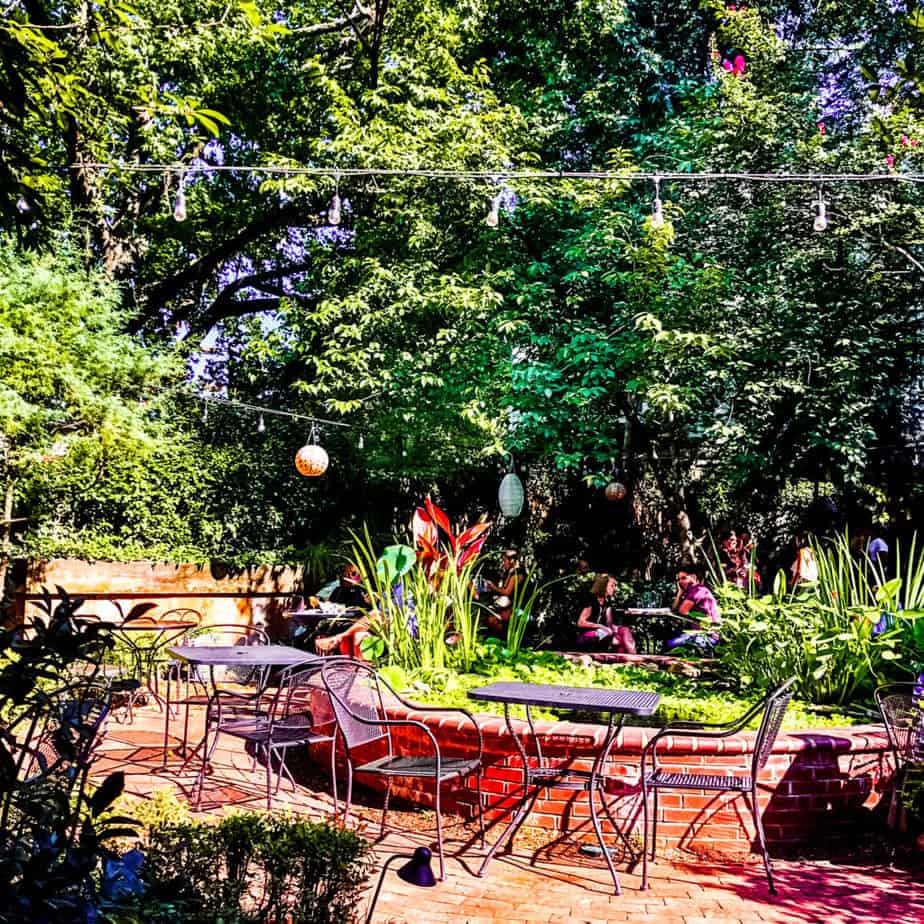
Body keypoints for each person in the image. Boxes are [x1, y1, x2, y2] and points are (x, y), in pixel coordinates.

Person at [576, 573, 637, 653]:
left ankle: (632, 659)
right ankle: (632, 661)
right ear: (603, 586)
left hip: (602, 633)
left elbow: (609, 623)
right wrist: (601, 626)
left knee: (624, 631)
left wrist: (619, 630)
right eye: (612, 585)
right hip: (586, 635)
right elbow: (580, 623)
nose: (614, 588)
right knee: (609, 633)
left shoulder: (606, 603)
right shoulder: (591, 601)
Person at [665, 565, 721, 652]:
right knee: (670, 643)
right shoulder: (694, 590)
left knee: (670, 644)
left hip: (708, 637)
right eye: (678, 579)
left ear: (693, 577)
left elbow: (682, 610)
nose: (680, 581)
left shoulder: (698, 590)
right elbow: (674, 608)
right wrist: (679, 593)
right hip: (700, 634)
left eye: (683, 578)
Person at [484, 549, 525, 635]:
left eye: (504, 561)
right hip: (506, 603)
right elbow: (502, 589)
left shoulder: (518, 573)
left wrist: (494, 587)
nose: (503, 563)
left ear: (512, 561)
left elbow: (507, 592)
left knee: (494, 619)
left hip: (515, 605)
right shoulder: (509, 572)